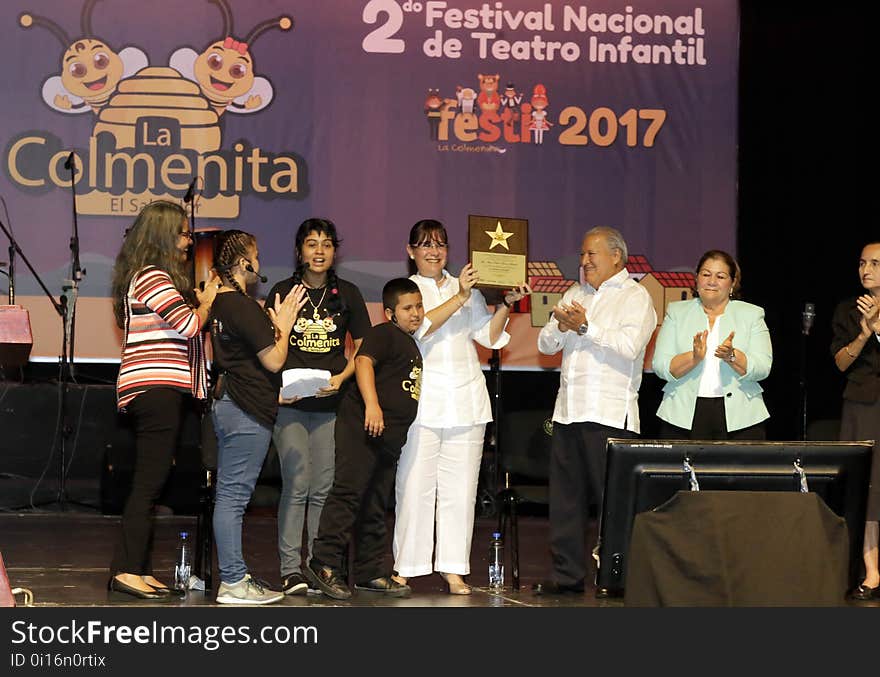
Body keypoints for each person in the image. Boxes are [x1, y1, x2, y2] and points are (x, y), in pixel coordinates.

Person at [392, 219, 530, 595]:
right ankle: (407, 565)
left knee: (461, 489)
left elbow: (487, 335)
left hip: (466, 399)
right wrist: (460, 296)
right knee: (414, 485)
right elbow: (419, 328)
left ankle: (453, 568)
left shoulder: (463, 287)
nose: (433, 252)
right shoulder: (410, 290)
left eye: (440, 244)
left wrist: (504, 304)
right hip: (422, 401)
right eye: (424, 245)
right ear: (411, 252)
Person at [534, 226, 657, 595]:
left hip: (609, 414)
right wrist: (561, 325)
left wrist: (586, 326)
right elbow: (545, 345)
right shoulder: (575, 293)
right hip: (568, 411)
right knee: (565, 501)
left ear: (617, 256)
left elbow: (630, 346)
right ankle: (568, 576)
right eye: (582, 254)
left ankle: (616, 578)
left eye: (592, 254)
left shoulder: (636, 297)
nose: (584, 261)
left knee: (612, 502)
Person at [109, 200, 218, 600]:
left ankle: (134, 567)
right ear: (163, 234)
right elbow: (189, 324)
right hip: (155, 389)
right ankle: (126, 570)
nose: (189, 241)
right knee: (148, 483)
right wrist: (207, 301)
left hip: (159, 389)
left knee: (152, 482)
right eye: (184, 232)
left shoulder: (149, 275)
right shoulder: (153, 276)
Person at [265, 218, 371, 596]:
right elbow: (267, 348)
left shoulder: (349, 294)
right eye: (312, 244)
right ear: (299, 251)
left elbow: (363, 348)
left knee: (324, 486)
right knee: (297, 483)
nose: (320, 251)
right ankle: (290, 569)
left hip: (332, 402)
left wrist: (341, 379)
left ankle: (317, 565)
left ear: (334, 251)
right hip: (291, 402)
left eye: (326, 244)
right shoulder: (282, 291)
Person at [303, 278, 424, 600]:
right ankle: (323, 563)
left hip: (387, 439)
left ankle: (370, 570)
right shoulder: (383, 334)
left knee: (375, 502)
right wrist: (372, 405)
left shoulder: (409, 342)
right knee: (348, 493)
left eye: (419, 306)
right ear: (389, 313)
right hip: (363, 427)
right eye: (407, 308)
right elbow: (362, 361)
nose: (416, 313)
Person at [209, 229, 307, 604]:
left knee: (230, 496)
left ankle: (235, 579)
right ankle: (233, 582)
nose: (261, 263)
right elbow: (275, 359)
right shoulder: (240, 305)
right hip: (245, 410)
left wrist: (275, 321)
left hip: (234, 406)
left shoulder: (222, 304)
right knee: (233, 497)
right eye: (257, 254)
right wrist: (285, 322)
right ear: (243, 262)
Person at [652, 250, 772, 440]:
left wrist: (732, 356)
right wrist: (694, 358)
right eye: (706, 274)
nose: (712, 281)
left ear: (732, 283)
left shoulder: (752, 314)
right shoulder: (677, 312)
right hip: (682, 415)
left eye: (720, 276)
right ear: (697, 279)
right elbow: (659, 365)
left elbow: (763, 368)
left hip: (742, 417)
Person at [831, 241, 880, 601]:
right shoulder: (848, 310)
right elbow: (840, 364)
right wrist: (865, 333)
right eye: (862, 263)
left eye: (875, 263)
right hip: (862, 405)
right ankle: (871, 571)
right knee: (869, 487)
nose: (866, 270)